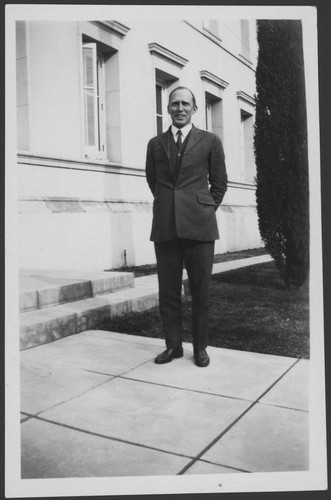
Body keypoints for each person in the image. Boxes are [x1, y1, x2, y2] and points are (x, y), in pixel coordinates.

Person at [145, 86, 227, 367]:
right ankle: (173, 346)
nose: (180, 108)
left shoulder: (210, 141)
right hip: (165, 226)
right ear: (168, 108)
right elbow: (152, 181)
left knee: (200, 290)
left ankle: (200, 348)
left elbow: (219, 183)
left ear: (194, 108)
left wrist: (202, 209)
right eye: (174, 104)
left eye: (185, 104)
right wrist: (170, 205)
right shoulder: (155, 144)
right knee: (167, 290)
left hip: (200, 227)